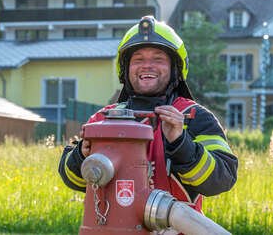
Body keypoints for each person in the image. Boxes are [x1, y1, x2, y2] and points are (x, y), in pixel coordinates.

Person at [58, 16, 238, 227]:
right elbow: (73, 180)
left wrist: (182, 144)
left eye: (158, 59)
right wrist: (82, 155)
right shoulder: (102, 120)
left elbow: (222, 179)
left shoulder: (194, 118)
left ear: (175, 69)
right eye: (138, 59)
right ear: (125, 69)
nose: (147, 66)